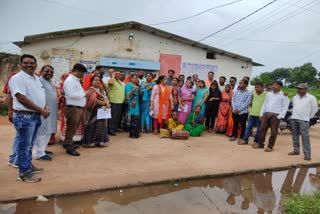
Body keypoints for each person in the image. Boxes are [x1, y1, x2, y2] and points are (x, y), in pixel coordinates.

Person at [9, 54, 50, 182]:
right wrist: (41, 110)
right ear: (20, 64)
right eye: (26, 63)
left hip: (34, 115)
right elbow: (21, 98)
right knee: (24, 145)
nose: (29, 65)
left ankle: (27, 166)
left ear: (36, 65)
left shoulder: (36, 78)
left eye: (32, 63)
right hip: (24, 116)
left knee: (30, 144)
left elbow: (39, 95)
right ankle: (24, 173)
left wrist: (45, 107)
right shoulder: (17, 78)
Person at [253, 81, 290, 152]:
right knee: (262, 130)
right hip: (266, 114)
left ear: (280, 86)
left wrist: (280, 116)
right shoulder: (269, 94)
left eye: (275, 85)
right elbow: (265, 103)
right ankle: (260, 144)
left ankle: (270, 146)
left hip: (275, 115)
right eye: (273, 85)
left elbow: (285, 106)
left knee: (273, 132)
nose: (273, 86)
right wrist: (261, 114)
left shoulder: (284, 95)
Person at [33, 65, 58, 161]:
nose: (49, 73)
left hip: (51, 111)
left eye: (51, 72)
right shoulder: (38, 81)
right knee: (42, 132)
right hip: (43, 111)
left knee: (48, 130)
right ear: (41, 71)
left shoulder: (49, 82)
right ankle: (38, 153)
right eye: (47, 71)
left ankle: (42, 149)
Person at [63, 63, 88, 156]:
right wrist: (84, 94)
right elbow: (71, 94)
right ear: (76, 71)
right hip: (73, 108)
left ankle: (67, 143)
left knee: (73, 127)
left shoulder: (75, 80)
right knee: (71, 128)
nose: (83, 75)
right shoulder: (70, 80)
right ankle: (69, 147)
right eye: (82, 73)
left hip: (77, 107)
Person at [288, 83, 318, 160]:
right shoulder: (295, 97)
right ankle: (296, 150)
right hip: (294, 118)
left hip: (304, 120)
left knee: (305, 137)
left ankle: (307, 155)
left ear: (306, 89)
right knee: (295, 136)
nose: (298, 90)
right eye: (298, 88)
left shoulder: (311, 98)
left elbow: (315, 109)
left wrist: (309, 117)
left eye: (300, 88)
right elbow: (294, 106)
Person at [82, 76, 111, 147]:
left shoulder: (102, 90)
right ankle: (90, 142)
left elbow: (106, 97)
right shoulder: (91, 90)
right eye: (95, 80)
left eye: (98, 80)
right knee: (92, 125)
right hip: (93, 110)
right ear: (91, 82)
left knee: (101, 125)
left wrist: (107, 103)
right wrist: (104, 103)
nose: (97, 81)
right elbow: (94, 100)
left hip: (102, 110)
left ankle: (100, 141)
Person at [107, 70, 125, 135]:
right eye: (116, 74)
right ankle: (110, 129)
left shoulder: (119, 81)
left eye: (119, 74)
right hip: (113, 101)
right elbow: (110, 83)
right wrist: (113, 75)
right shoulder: (111, 80)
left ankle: (114, 128)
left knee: (117, 117)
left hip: (120, 102)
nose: (118, 75)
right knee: (113, 116)